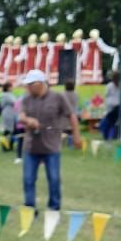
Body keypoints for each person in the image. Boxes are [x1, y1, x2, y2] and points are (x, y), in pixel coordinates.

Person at [20, 68, 81, 212]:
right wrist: (28, 120)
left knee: (54, 180)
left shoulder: (57, 97)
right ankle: (29, 210)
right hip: (31, 147)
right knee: (28, 180)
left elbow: (71, 116)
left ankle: (54, 209)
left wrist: (76, 136)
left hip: (51, 147)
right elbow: (21, 116)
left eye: (30, 84)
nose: (27, 88)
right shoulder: (26, 99)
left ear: (40, 84)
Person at [100, 71, 121, 140]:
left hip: (111, 106)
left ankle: (107, 135)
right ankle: (114, 135)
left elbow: (106, 95)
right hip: (117, 105)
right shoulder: (120, 85)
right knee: (115, 122)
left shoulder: (110, 85)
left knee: (110, 122)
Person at [0, 82, 16, 151]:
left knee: (11, 130)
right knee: (7, 131)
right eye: (11, 86)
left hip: (10, 113)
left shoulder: (9, 94)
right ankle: (5, 146)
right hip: (8, 114)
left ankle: (9, 145)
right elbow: (14, 102)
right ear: (8, 88)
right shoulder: (6, 95)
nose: (12, 88)